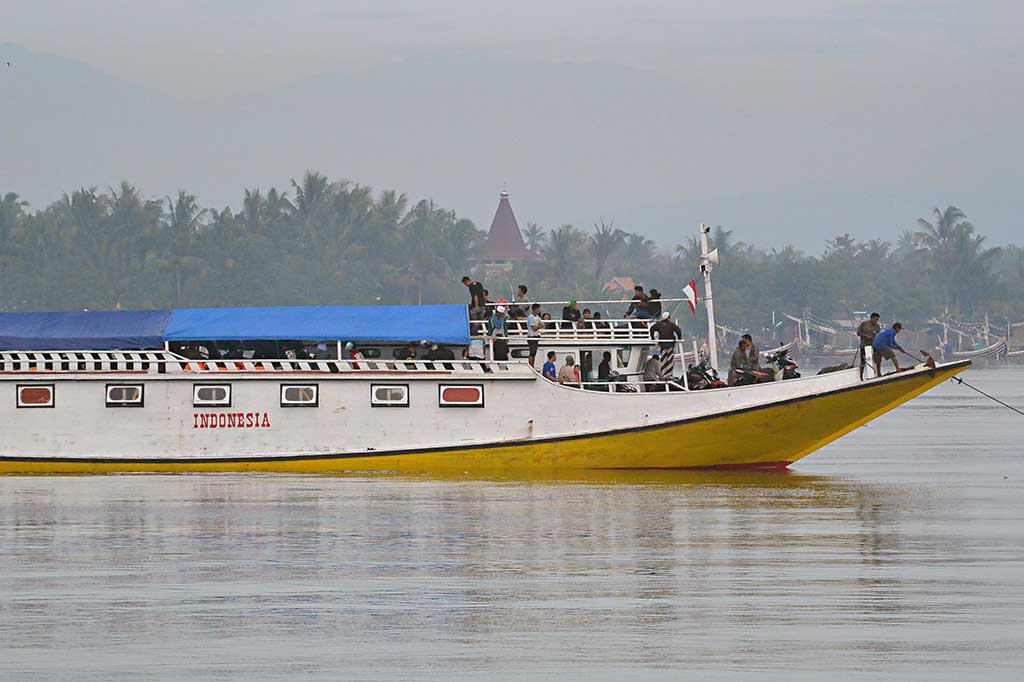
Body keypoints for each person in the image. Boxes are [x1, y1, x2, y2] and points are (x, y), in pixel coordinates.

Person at [650, 312, 682, 378]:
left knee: (663, 359)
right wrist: (679, 338)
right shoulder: (671, 324)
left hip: (662, 345)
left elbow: (651, 329)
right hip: (670, 344)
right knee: (670, 359)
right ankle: (669, 375)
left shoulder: (658, 324)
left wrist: (652, 338)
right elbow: (678, 330)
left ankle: (663, 374)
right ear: (668, 318)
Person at [857, 312, 882, 379]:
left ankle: (879, 374)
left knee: (878, 359)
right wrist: (866, 336)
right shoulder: (864, 324)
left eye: (877, 320)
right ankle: (861, 377)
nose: (876, 321)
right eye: (875, 319)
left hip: (874, 345)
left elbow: (879, 335)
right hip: (864, 345)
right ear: (871, 318)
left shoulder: (877, 326)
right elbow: (858, 333)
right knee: (863, 361)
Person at [526, 303, 543, 367]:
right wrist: (538, 326)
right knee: (532, 352)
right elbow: (534, 328)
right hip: (531, 336)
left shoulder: (538, 317)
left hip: (536, 336)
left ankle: (532, 365)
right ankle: (531, 366)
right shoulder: (530, 317)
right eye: (538, 309)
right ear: (535, 309)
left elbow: (542, 325)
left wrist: (537, 326)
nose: (539, 310)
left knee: (534, 353)